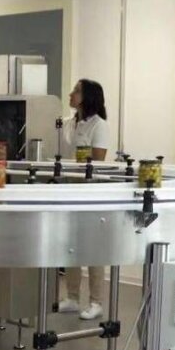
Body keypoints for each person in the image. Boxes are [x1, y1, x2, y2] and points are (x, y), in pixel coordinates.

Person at [58, 79, 111, 320]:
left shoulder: (99, 125)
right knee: (71, 245)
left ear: (87, 96)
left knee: (93, 247)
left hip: (90, 190)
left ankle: (96, 301)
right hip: (69, 188)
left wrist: (80, 159)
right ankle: (71, 297)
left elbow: (98, 160)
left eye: (76, 91)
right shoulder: (69, 123)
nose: (71, 94)